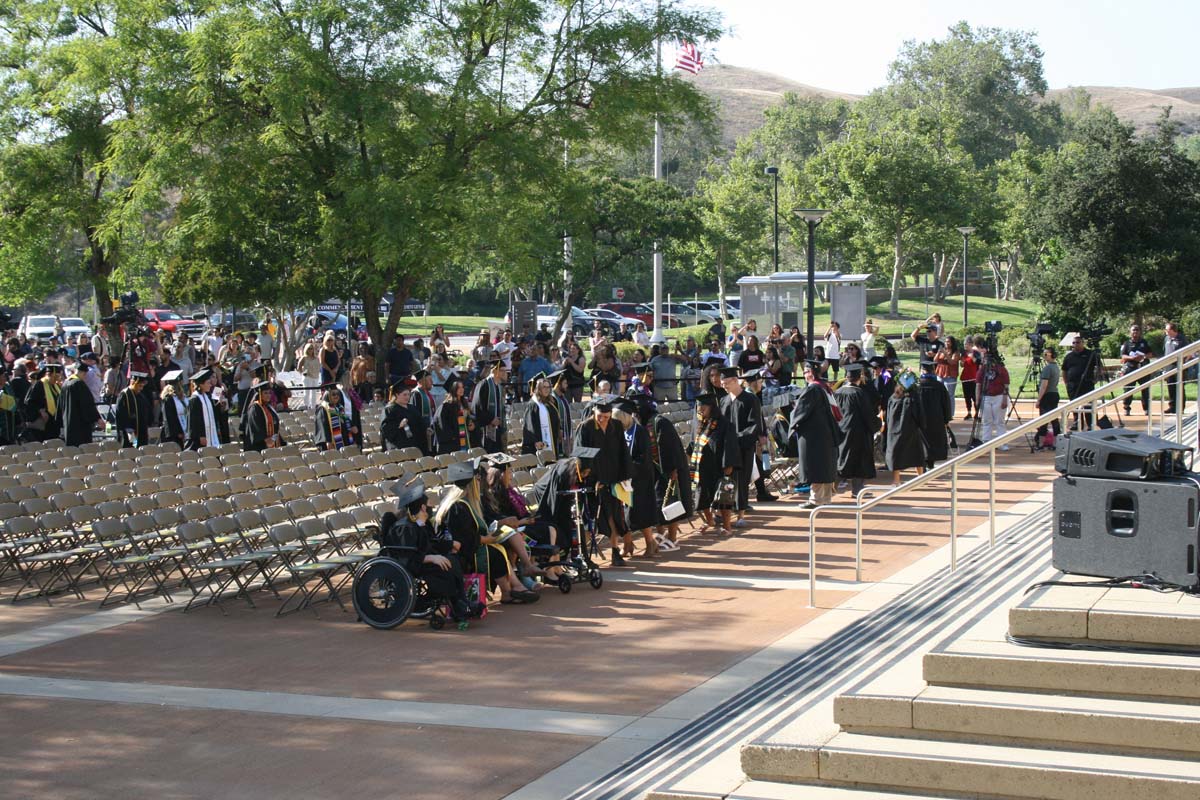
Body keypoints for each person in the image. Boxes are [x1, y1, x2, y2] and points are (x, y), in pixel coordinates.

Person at [434, 460, 538, 604]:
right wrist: (488, 539)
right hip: (458, 551)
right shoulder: (458, 507)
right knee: (495, 553)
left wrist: (491, 536)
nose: (479, 483)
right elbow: (464, 538)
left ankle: (512, 589)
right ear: (470, 484)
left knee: (500, 548)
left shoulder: (465, 503)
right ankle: (509, 591)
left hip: (469, 545)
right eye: (477, 479)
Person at [379, 480, 479, 624]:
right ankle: (458, 605)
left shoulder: (418, 525)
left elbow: (431, 543)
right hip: (410, 566)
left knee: (452, 560)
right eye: (426, 507)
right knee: (446, 567)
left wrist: (447, 547)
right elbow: (406, 558)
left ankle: (460, 603)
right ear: (421, 508)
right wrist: (431, 558)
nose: (429, 510)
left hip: (421, 562)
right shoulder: (404, 529)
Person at [574, 394, 633, 565]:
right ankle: (583, 555)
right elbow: (581, 455)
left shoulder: (616, 425)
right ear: (594, 412)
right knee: (589, 519)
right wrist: (590, 477)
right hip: (593, 482)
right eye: (600, 416)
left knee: (613, 517)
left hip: (613, 479)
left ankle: (615, 551)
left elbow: (623, 451)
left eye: (606, 417)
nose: (603, 420)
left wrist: (625, 475)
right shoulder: (585, 428)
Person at [788, 361, 839, 508]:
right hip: (827, 433)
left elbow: (800, 412)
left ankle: (815, 499)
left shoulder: (812, 390)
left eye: (805, 371)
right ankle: (826, 499)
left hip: (813, 436)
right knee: (826, 465)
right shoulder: (825, 388)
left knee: (815, 466)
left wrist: (793, 417)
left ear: (811, 373)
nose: (804, 374)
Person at [613, 398, 659, 557]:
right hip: (623, 479)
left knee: (640, 512)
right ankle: (628, 544)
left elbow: (644, 458)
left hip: (640, 479)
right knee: (623, 514)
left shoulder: (640, 432)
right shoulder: (620, 432)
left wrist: (627, 468)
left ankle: (650, 543)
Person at [691, 393, 738, 534]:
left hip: (718, 467)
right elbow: (694, 444)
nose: (700, 410)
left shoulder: (724, 424)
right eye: (698, 407)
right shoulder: (700, 424)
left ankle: (727, 526)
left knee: (723, 497)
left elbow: (730, 446)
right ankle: (709, 520)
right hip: (702, 467)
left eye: (703, 407)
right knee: (701, 496)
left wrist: (728, 466)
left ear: (712, 407)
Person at [719, 366, 759, 522]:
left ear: (735, 380)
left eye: (726, 382)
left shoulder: (750, 400)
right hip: (726, 448)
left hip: (743, 447)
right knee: (726, 480)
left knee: (741, 480)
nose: (724, 386)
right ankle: (725, 514)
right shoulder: (724, 401)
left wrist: (737, 439)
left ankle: (741, 513)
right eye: (722, 384)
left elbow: (754, 425)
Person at [834, 363, 878, 498]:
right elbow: (867, 414)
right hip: (858, 432)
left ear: (847, 378)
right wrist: (877, 424)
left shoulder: (837, 392)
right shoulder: (859, 393)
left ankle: (832, 488)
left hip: (841, 430)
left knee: (841, 459)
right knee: (859, 460)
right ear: (859, 377)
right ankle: (857, 490)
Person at [742, 369, 777, 503]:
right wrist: (760, 435)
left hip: (755, 436)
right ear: (754, 382)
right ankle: (757, 494)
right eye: (759, 381)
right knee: (752, 466)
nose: (761, 384)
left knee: (757, 465)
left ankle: (762, 492)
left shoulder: (751, 396)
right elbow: (755, 420)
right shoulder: (750, 397)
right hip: (753, 437)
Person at [885, 375, 925, 484]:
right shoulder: (912, 398)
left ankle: (896, 480)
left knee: (896, 454)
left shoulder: (893, 397)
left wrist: (889, 426)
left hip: (894, 431)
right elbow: (919, 415)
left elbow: (888, 415)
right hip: (910, 430)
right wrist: (922, 425)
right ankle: (920, 478)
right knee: (916, 453)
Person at [915, 357, 953, 469]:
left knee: (921, 441)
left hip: (920, 419)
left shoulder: (917, 385)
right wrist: (946, 419)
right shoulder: (939, 386)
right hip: (936, 419)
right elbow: (946, 403)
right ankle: (930, 464)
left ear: (922, 371)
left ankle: (922, 464)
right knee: (934, 441)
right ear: (933, 371)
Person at [59, 359, 103, 447]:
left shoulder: (65, 383)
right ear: (84, 373)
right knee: (82, 449)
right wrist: (97, 418)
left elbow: (60, 403)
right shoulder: (79, 384)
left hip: (68, 422)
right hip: (79, 424)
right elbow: (87, 405)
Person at [471, 354, 508, 454]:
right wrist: (491, 419)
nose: (506, 373)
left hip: (497, 430)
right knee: (488, 458)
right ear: (495, 371)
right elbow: (477, 407)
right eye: (503, 371)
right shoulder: (484, 385)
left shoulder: (499, 387)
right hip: (485, 431)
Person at [521, 374, 563, 457]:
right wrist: (535, 440)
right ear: (538, 389)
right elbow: (529, 425)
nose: (547, 389)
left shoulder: (550, 402)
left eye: (548, 387)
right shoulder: (533, 405)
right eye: (544, 387)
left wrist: (559, 429)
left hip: (552, 440)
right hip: (539, 443)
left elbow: (555, 418)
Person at [1061, 335, 1097, 431]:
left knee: (1088, 405)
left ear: (1082, 343)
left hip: (1087, 384)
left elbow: (1099, 367)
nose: (1075, 345)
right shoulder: (1069, 356)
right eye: (1073, 343)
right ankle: (1077, 422)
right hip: (1073, 385)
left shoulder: (1090, 354)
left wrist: (1096, 378)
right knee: (1074, 405)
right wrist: (1066, 383)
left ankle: (1090, 424)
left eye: (1078, 342)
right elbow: (1064, 370)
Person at [23, 362, 63, 442]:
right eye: (56, 376)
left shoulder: (56, 385)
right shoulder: (39, 384)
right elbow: (30, 401)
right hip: (44, 422)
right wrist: (40, 410)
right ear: (49, 374)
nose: (57, 379)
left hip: (54, 421)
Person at [1119, 324, 1155, 415]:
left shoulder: (1144, 342)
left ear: (1140, 332)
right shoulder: (1127, 343)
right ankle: (1126, 407)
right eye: (1133, 330)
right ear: (1130, 332)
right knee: (1128, 389)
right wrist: (1132, 358)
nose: (1135, 332)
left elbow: (1150, 354)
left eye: (1137, 330)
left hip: (1143, 368)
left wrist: (1143, 356)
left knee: (1145, 389)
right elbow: (1123, 356)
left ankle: (1146, 409)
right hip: (1131, 368)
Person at [978, 353, 1011, 449]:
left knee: (999, 421)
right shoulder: (983, 369)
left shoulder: (1001, 369)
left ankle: (1002, 442)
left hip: (999, 396)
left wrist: (1005, 399)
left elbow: (1006, 385)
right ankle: (986, 441)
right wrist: (978, 399)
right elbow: (978, 384)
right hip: (986, 397)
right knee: (987, 421)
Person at [185, 368, 222, 450]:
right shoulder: (194, 399)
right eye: (208, 383)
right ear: (201, 385)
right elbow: (194, 420)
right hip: (200, 438)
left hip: (210, 435)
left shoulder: (207, 397)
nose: (210, 385)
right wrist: (201, 436)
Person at [114, 370, 152, 448]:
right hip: (129, 431)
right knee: (131, 450)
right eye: (139, 386)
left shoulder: (141, 396)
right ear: (133, 383)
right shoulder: (124, 395)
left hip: (141, 431)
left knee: (141, 451)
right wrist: (129, 431)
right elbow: (121, 415)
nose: (141, 388)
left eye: (142, 386)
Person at [435, 377, 473, 454]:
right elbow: (442, 424)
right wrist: (453, 437)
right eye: (458, 387)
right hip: (452, 443)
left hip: (463, 439)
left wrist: (470, 424)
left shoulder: (464, 404)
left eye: (462, 387)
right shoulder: (446, 406)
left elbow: (467, 420)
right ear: (453, 389)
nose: (461, 389)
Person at [1034, 346, 1062, 451]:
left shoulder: (1048, 368)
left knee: (1043, 420)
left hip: (1047, 395)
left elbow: (1044, 385)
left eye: (1046, 354)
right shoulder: (1056, 367)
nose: (1044, 356)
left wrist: (1039, 399)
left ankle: (1041, 444)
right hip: (1054, 394)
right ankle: (1055, 443)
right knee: (1054, 420)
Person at [381, 378, 420, 452]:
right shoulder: (389, 410)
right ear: (396, 395)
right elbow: (385, 430)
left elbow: (419, 424)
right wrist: (399, 425)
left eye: (409, 394)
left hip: (414, 444)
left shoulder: (412, 408)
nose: (407, 397)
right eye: (404, 395)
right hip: (397, 446)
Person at [314, 384, 357, 450]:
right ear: (327, 395)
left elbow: (345, 419)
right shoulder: (323, 408)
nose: (336, 396)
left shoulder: (339, 407)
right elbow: (322, 426)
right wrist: (328, 441)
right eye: (333, 394)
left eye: (337, 394)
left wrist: (352, 425)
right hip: (330, 442)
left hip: (343, 438)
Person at [407, 369, 436, 455]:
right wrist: (424, 427)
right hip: (421, 432)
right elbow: (416, 415)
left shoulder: (427, 394)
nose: (432, 382)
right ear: (422, 381)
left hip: (430, 428)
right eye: (429, 380)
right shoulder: (416, 394)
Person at [1164, 322, 1189, 415]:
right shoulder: (1167, 338)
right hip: (1169, 366)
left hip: (1179, 366)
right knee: (1170, 387)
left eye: (1167, 330)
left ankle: (1180, 408)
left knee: (1179, 387)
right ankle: (1172, 407)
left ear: (1173, 330)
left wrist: (1183, 363)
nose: (1166, 331)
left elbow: (1189, 353)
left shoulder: (1182, 339)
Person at [934, 336, 962, 419]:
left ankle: (951, 414)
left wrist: (946, 354)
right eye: (946, 341)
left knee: (950, 395)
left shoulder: (956, 352)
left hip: (950, 376)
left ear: (952, 343)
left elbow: (952, 362)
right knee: (939, 394)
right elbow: (935, 360)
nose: (946, 343)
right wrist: (939, 352)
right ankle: (941, 412)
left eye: (948, 342)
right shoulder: (942, 350)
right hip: (940, 374)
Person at [160, 370, 188, 448]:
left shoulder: (182, 397)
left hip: (184, 431)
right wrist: (177, 433)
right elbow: (169, 418)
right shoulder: (168, 399)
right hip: (174, 436)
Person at [959, 338, 978, 420]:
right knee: (967, 396)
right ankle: (969, 412)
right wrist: (962, 361)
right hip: (965, 377)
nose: (965, 346)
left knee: (974, 396)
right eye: (964, 345)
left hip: (973, 377)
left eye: (966, 344)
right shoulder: (963, 354)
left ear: (970, 345)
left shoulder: (975, 353)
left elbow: (977, 362)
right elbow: (962, 365)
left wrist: (972, 356)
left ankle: (977, 413)